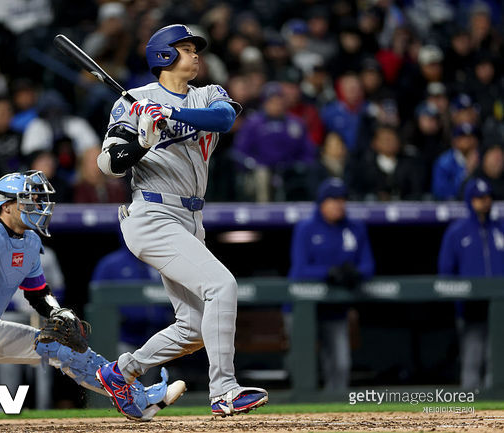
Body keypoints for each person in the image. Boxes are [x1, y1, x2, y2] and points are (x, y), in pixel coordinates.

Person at [0, 171, 185, 428]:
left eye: (38, 199)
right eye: (29, 200)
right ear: (6, 206)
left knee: (66, 350)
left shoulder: (29, 241)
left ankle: (138, 400)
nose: (38, 205)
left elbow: (37, 292)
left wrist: (57, 312)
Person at [95, 24, 268, 419]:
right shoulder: (134, 101)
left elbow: (224, 118)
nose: (195, 55)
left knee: (193, 328)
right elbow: (109, 165)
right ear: (164, 55)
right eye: (187, 49)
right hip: (152, 214)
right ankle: (224, 391)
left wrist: (170, 113)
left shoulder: (207, 94)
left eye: (193, 49)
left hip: (191, 217)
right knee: (221, 286)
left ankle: (121, 372)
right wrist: (142, 142)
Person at [289, 178, 375, 391]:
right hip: (302, 309)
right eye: (334, 199)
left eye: (343, 199)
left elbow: (368, 266)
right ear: (322, 202)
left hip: (335, 309)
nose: (339, 204)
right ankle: (303, 406)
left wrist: (353, 274)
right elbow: (300, 270)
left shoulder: (355, 228)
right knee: (303, 365)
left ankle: (336, 406)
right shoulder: (306, 228)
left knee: (340, 364)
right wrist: (329, 273)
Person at [438, 178, 504, 390]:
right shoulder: (457, 231)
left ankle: (496, 407)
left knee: (498, 364)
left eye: (487, 197)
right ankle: (469, 408)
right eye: (479, 198)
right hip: (470, 310)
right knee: (472, 362)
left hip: (500, 309)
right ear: (470, 200)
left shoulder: (500, 228)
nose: (485, 201)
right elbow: (446, 271)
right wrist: (459, 300)